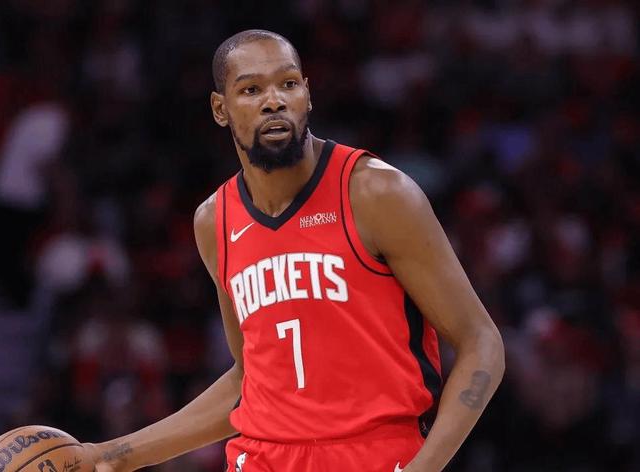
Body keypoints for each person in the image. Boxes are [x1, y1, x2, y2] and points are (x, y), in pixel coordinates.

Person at [87, 29, 505, 472]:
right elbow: (250, 378)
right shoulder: (214, 221)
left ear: (307, 94)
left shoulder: (376, 193)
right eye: (251, 89)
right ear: (220, 109)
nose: (274, 101)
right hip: (262, 457)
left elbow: (481, 342)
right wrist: (109, 458)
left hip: (376, 454)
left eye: (288, 83)